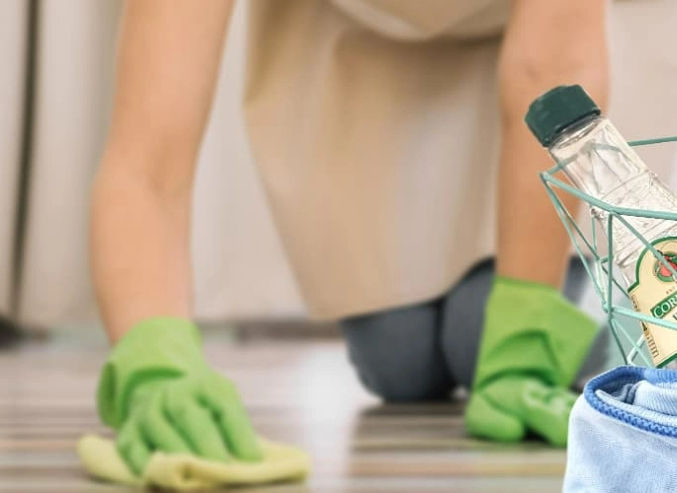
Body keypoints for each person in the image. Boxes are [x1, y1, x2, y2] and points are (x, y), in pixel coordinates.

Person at [90, 0, 619, 474]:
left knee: (476, 338)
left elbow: (552, 72)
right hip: (373, 30)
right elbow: (147, 158)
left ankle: (609, 292)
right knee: (401, 362)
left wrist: (526, 330)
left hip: (561, 34)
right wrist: (154, 363)